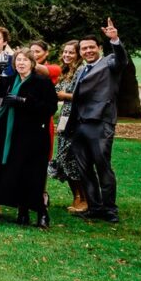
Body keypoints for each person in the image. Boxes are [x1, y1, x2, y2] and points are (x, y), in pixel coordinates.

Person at [0, 50, 59, 227]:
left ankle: (41, 212)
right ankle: (22, 211)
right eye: (17, 60)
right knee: (17, 172)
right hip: (10, 133)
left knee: (33, 174)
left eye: (24, 60)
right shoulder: (11, 80)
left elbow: (50, 107)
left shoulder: (41, 82)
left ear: (32, 63)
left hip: (33, 135)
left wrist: (23, 101)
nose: (21, 63)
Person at [65, 19, 129, 222]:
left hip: (100, 123)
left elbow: (121, 59)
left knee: (103, 168)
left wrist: (115, 40)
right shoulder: (82, 70)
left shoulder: (110, 63)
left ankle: (110, 210)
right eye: (84, 48)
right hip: (79, 126)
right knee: (84, 170)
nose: (88, 51)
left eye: (91, 47)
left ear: (99, 48)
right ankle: (94, 206)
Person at [49, 40, 87, 213]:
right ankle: (76, 196)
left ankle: (84, 197)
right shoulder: (66, 71)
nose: (66, 55)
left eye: (71, 52)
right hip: (65, 118)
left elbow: (86, 95)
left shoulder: (82, 70)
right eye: (65, 52)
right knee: (64, 159)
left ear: (78, 54)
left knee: (73, 159)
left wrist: (65, 95)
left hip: (77, 118)